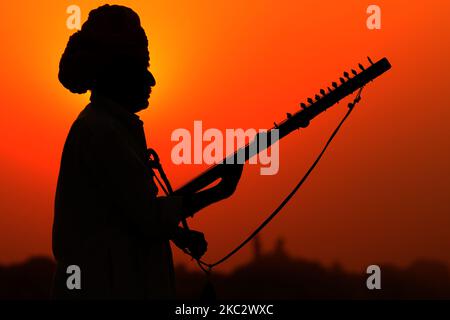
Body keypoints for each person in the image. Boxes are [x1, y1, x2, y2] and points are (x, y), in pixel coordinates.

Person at [52, 4, 243, 299]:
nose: (151, 81)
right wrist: (218, 192)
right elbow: (148, 217)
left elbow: (125, 215)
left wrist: (177, 232)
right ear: (116, 74)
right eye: (142, 69)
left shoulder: (108, 128)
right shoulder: (102, 132)